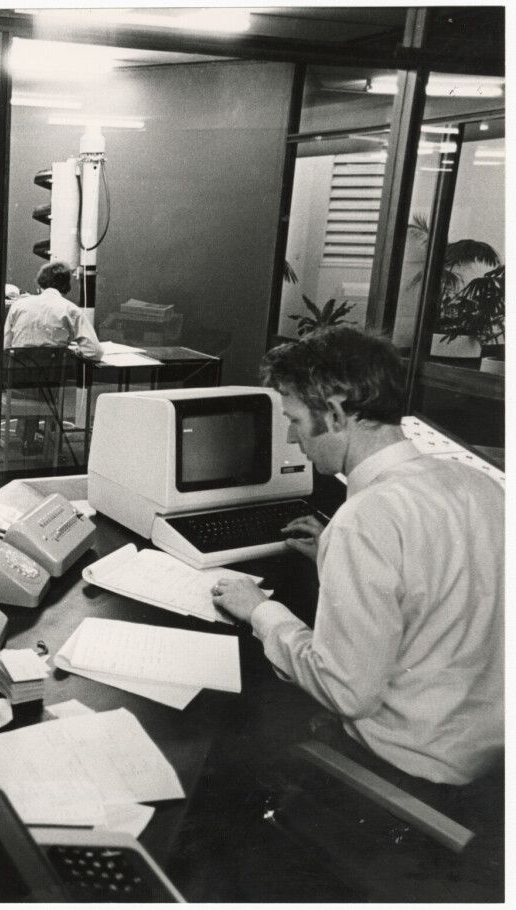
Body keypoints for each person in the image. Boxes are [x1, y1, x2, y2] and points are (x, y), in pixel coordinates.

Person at [211, 326, 503, 787]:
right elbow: (444, 584)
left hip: (408, 769)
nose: (293, 438)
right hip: (488, 759)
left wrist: (260, 611)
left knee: (235, 734)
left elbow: (346, 693)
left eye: (295, 419)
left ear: (334, 413)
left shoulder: (364, 519)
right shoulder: (480, 484)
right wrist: (336, 556)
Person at [2, 261, 103, 362]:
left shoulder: (17, 306)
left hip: (19, 369)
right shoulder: (71, 310)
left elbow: (5, 346)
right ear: (66, 286)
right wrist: (72, 354)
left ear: (40, 284)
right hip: (56, 370)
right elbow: (94, 352)